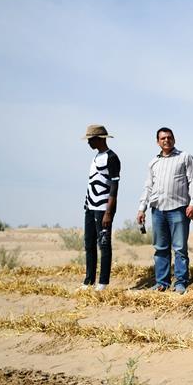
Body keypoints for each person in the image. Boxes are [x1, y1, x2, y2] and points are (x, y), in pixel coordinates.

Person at [136, 127, 193, 295]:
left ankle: (180, 283)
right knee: (160, 248)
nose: (166, 140)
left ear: (174, 139)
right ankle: (162, 283)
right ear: (158, 142)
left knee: (179, 248)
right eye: (163, 138)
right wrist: (141, 208)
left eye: (169, 137)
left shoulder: (184, 157)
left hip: (179, 208)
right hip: (157, 210)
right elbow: (148, 187)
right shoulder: (153, 163)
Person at [82, 124, 121, 291]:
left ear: (99, 139)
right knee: (89, 244)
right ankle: (88, 280)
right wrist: (86, 205)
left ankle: (103, 282)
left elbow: (114, 186)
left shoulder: (111, 157)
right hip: (90, 207)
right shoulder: (96, 157)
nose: (88, 143)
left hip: (103, 208)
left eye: (90, 139)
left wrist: (108, 212)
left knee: (103, 244)